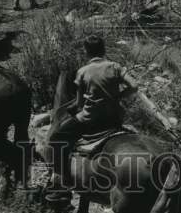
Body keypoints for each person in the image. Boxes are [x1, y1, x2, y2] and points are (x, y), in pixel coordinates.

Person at [48, 35, 139, 187]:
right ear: (103, 49)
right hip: (114, 119)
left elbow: (79, 103)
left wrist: (69, 110)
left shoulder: (83, 71)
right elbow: (134, 86)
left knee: (56, 139)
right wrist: (117, 97)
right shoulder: (115, 67)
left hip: (91, 120)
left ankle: (60, 182)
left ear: (86, 51)